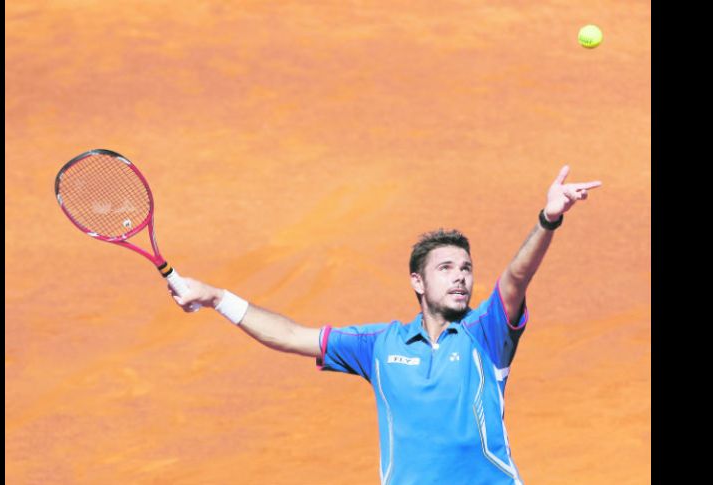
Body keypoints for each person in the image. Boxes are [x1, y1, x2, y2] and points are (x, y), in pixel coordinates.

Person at [170, 165, 601, 485]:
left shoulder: (485, 334)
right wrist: (217, 298)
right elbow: (289, 335)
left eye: (466, 268)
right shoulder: (378, 344)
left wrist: (548, 219)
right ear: (417, 280)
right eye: (446, 268)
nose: (460, 277)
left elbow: (515, 279)